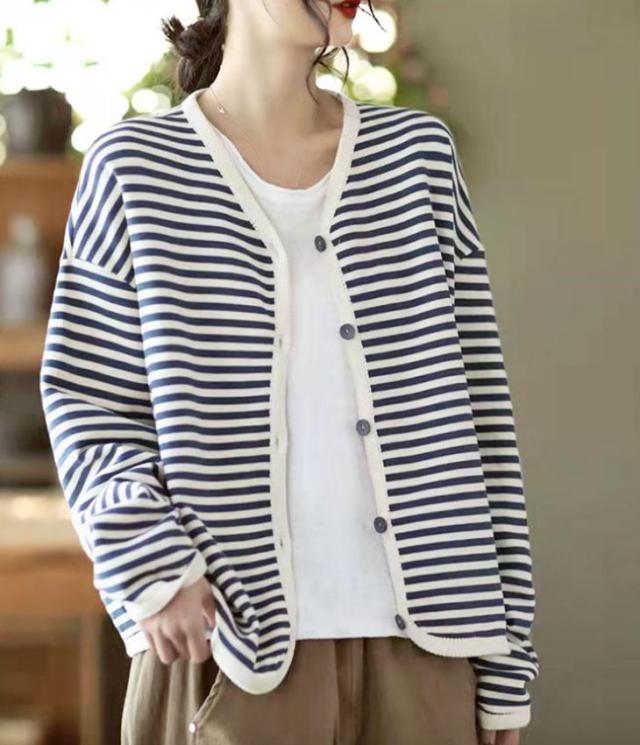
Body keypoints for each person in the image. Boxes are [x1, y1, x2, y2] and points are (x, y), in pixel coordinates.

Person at [39, 1, 540, 744]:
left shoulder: (418, 159)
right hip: (227, 646)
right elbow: (88, 399)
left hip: (432, 652)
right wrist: (148, 560)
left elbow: (483, 419)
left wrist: (507, 657)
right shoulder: (134, 167)